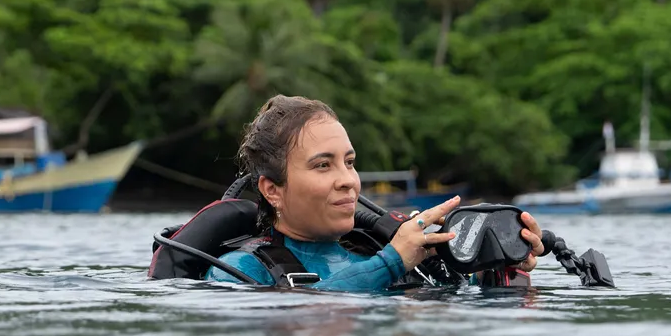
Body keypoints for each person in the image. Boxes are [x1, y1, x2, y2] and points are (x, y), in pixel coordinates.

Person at [205, 95, 545, 292]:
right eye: (323, 165)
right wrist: (393, 261)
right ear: (272, 190)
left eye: (349, 163)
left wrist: (499, 268)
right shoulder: (239, 271)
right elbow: (302, 310)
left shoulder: (376, 252)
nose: (348, 181)